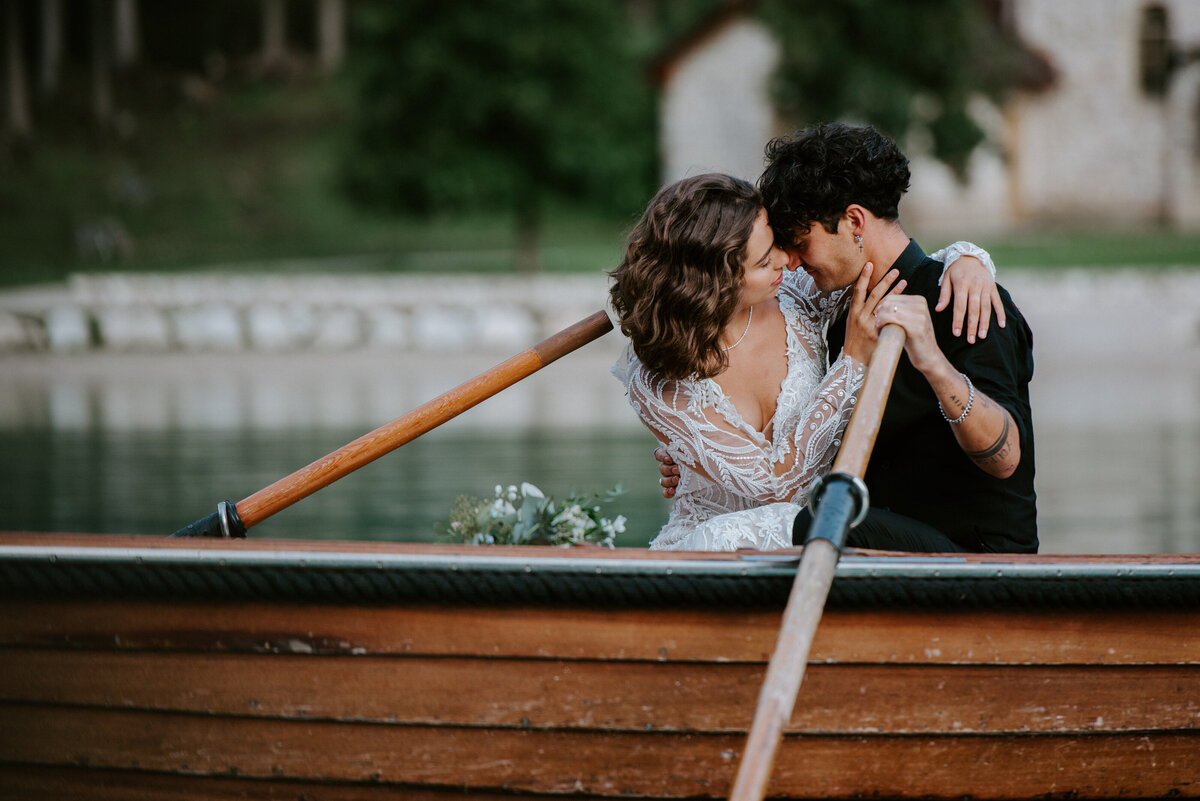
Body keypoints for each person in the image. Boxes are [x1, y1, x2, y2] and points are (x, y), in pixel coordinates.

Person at [658, 124, 1038, 554]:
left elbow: (1006, 460)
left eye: (802, 243)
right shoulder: (843, 313)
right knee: (827, 517)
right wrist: (702, 462)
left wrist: (932, 359)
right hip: (870, 548)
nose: (793, 263)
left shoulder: (966, 300)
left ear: (854, 221)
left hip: (973, 557)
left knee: (826, 516)